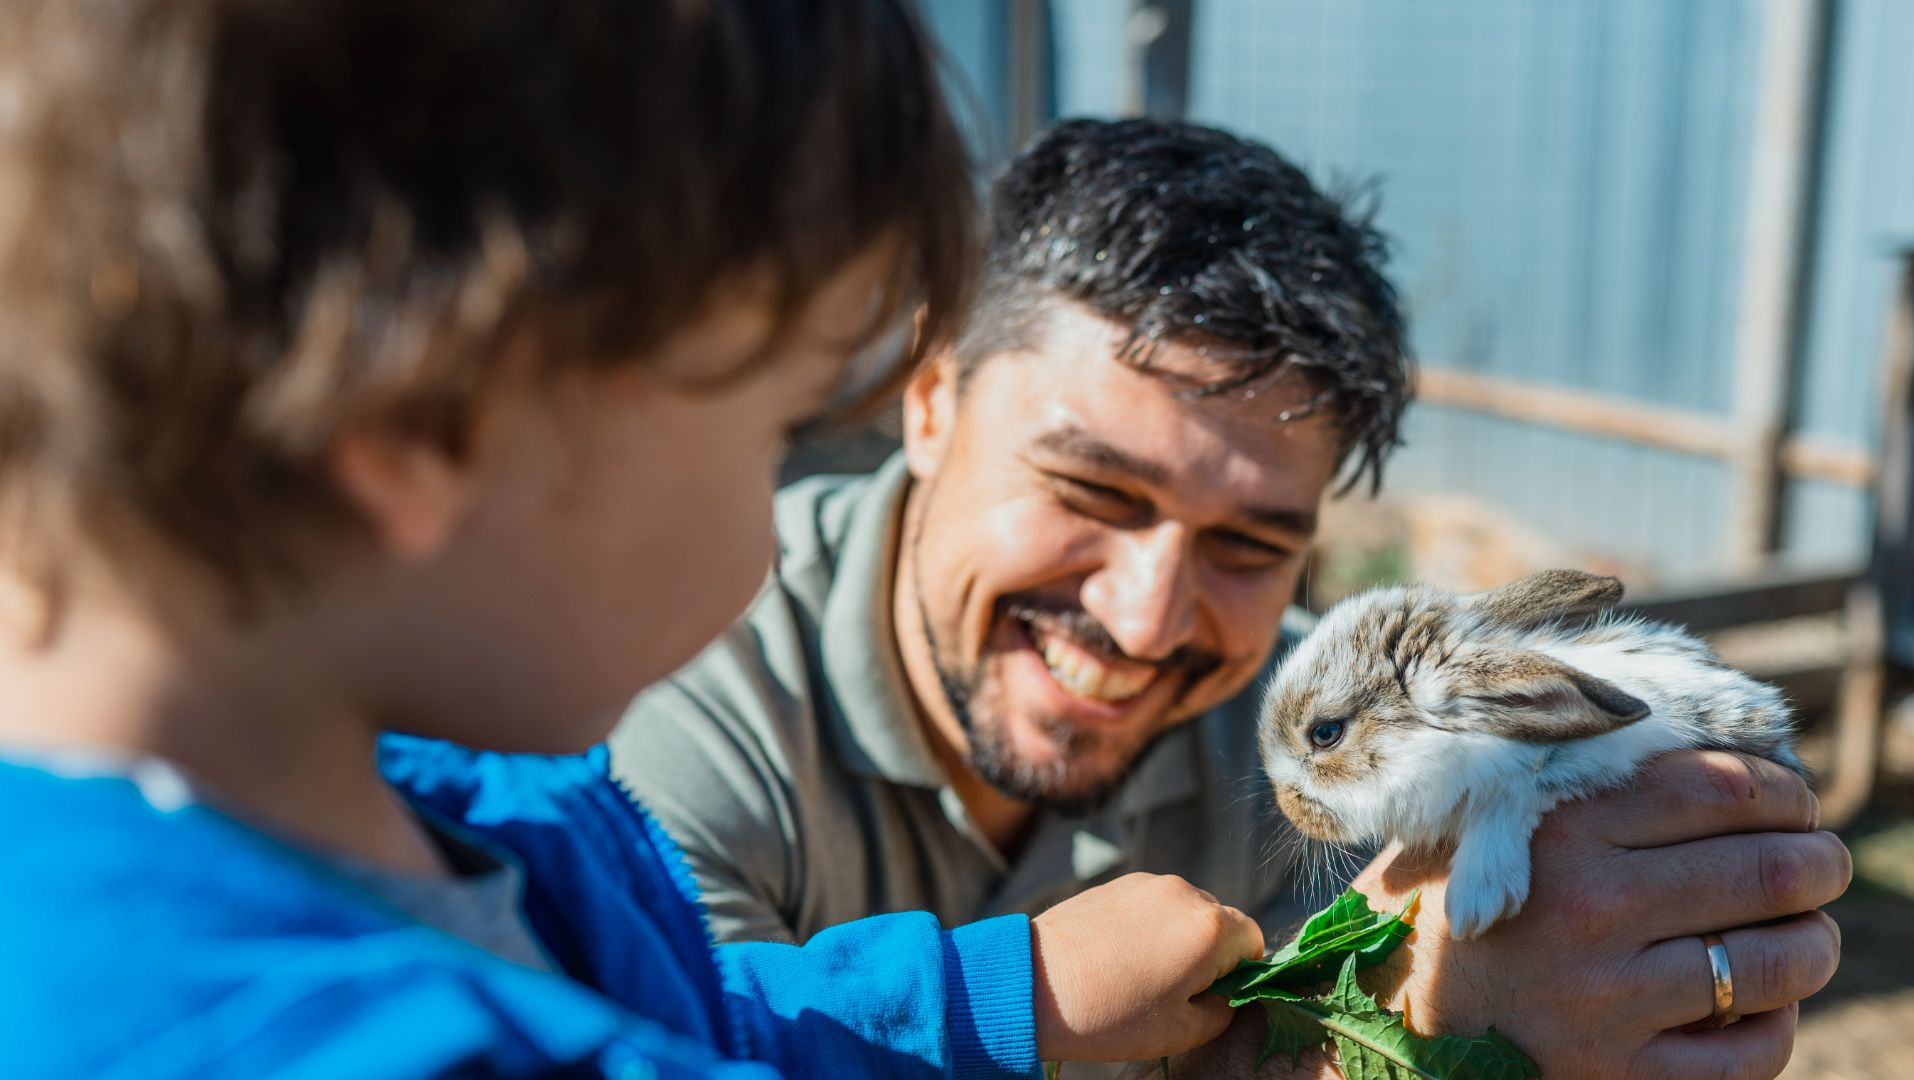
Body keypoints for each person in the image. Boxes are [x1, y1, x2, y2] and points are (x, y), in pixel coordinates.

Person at [0, 4, 1273, 1076]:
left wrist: (1003, 1002)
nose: (775, 524)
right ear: (431, 415)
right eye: (776, 429)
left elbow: (692, 1023)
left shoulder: (443, 814)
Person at [612, 117, 1851, 1078]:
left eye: (1251, 546)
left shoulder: (1328, 732)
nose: (1148, 620)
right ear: (930, 399)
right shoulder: (642, 711)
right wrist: (1410, 1034)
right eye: (1090, 490)